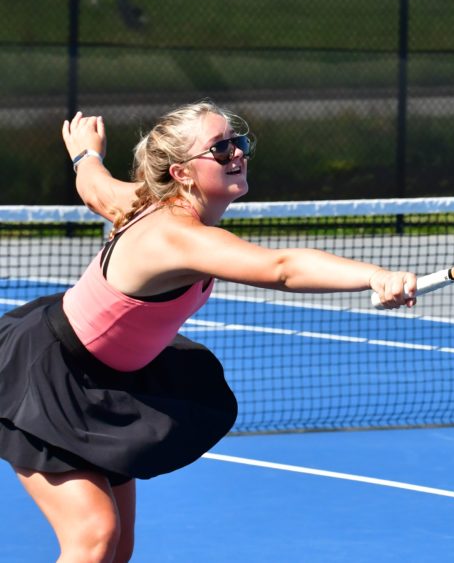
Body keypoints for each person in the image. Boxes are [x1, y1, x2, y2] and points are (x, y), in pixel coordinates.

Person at [0, 101, 417, 562]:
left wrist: (86, 156)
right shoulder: (175, 235)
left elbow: (94, 188)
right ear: (181, 173)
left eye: (238, 142)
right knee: (95, 536)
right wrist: (375, 275)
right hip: (47, 376)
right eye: (219, 148)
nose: (236, 153)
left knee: (118, 549)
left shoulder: (141, 202)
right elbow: (282, 268)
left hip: (108, 383)